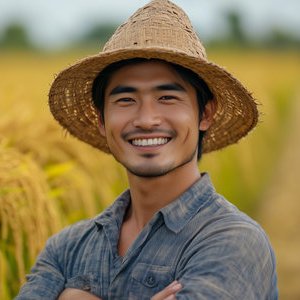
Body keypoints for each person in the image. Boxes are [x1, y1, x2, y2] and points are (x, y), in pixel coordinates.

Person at [16, 0, 278, 299]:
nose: (146, 120)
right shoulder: (66, 249)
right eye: (126, 100)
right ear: (101, 120)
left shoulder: (233, 242)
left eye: (167, 97)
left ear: (205, 114)